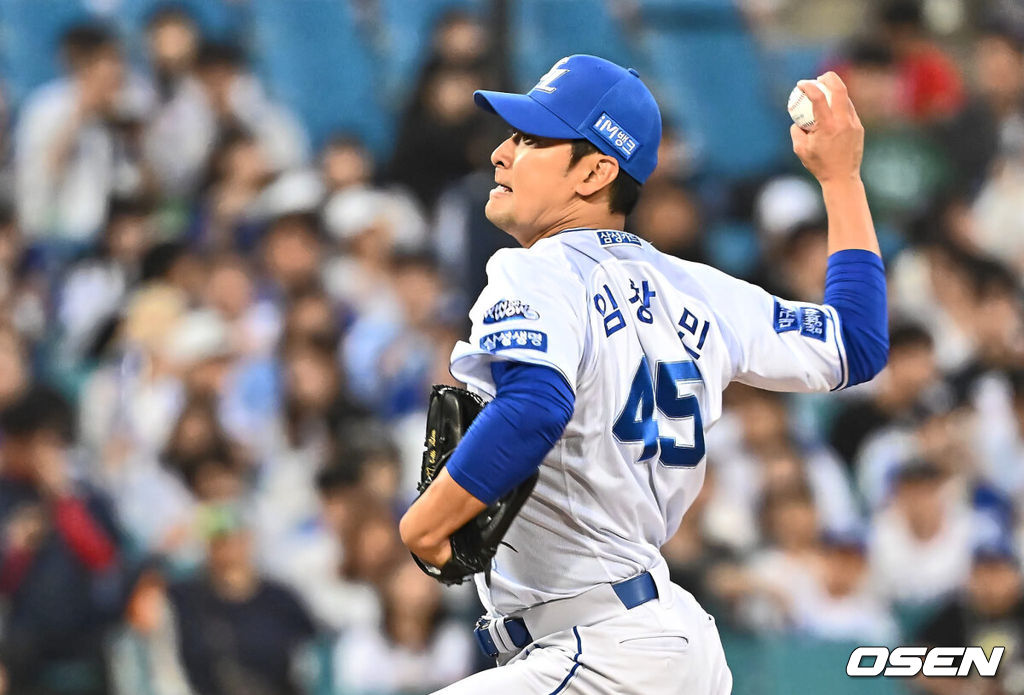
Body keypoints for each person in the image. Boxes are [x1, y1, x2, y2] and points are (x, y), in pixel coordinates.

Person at [399, 54, 888, 693]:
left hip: (599, 652)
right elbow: (857, 340)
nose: (500, 153)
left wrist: (425, 522)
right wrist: (842, 179)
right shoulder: (698, 289)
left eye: (530, 139)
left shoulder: (539, 269)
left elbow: (535, 405)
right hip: (664, 643)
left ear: (597, 170)